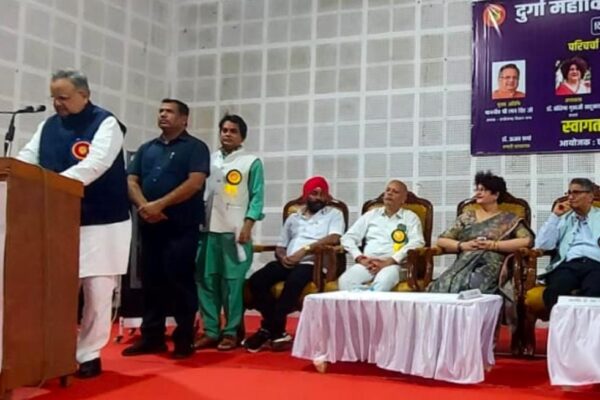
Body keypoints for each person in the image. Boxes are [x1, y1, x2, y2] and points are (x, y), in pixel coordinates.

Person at [16, 69, 131, 378]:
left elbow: (95, 165)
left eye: (64, 97)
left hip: (102, 222)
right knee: (56, 289)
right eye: (54, 97)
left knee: (97, 292)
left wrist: (52, 185)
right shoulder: (48, 126)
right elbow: (27, 158)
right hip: (58, 220)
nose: (58, 103)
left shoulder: (106, 123)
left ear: (84, 95)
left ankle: (89, 353)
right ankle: (54, 351)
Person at [122, 99, 210, 359]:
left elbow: (195, 183)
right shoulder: (147, 148)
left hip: (181, 225)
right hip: (150, 225)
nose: (163, 115)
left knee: (180, 281)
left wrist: (159, 205)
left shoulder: (195, 147)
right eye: (161, 111)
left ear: (184, 119)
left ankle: (184, 339)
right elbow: (131, 180)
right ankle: (152, 337)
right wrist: (144, 206)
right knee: (151, 281)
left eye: (169, 112)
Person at [243, 176, 345, 353]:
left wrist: (304, 251)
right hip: (288, 261)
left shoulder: (334, 214)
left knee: (293, 283)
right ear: (306, 195)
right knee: (257, 281)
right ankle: (276, 331)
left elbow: (334, 237)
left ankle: (267, 329)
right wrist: (283, 257)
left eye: (322, 194)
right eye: (314, 193)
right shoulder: (293, 217)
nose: (319, 198)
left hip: (312, 263)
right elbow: (281, 245)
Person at [195, 114, 264, 351]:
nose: (227, 134)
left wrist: (248, 225)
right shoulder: (209, 160)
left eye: (233, 131)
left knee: (232, 284)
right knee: (206, 281)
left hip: (235, 231)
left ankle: (231, 331)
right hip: (207, 229)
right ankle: (211, 330)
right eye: (224, 130)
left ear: (242, 136)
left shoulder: (251, 162)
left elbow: (257, 197)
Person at [427, 171, 533, 294]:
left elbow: (527, 240)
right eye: (477, 190)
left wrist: (494, 245)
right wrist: (462, 245)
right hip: (464, 262)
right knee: (444, 284)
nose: (477, 193)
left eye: (482, 190)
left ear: (495, 194)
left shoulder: (509, 219)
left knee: (475, 284)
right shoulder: (467, 217)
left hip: (492, 264)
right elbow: (442, 240)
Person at [338, 180, 424, 291]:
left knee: (383, 282)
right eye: (387, 190)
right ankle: (367, 297)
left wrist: (391, 260)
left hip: (394, 265)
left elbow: (417, 242)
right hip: (368, 263)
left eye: (395, 192)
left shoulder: (410, 218)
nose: (389, 193)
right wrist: (359, 257)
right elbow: (347, 238)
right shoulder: (371, 215)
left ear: (403, 199)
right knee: (345, 281)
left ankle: (365, 296)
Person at [536, 178, 600, 311]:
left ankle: (588, 325)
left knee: (594, 291)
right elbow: (543, 245)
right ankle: (561, 325)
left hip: (596, 264)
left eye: (576, 192)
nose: (570, 197)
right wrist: (554, 216)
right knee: (554, 291)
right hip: (569, 265)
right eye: (569, 193)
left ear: (590, 196)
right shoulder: (563, 217)